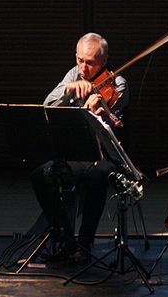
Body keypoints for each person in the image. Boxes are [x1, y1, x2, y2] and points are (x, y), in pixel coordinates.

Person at [30, 32, 129, 264]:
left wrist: (97, 106)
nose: (83, 68)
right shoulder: (74, 74)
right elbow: (47, 105)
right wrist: (69, 89)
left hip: (103, 156)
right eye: (80, 60)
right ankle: (65, 236)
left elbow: (109, 120)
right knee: (39, 175)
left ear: (103, 61)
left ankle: (85, 243)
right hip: (75, 154)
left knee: (96, 175)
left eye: (90, 62)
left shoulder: (119, 83)